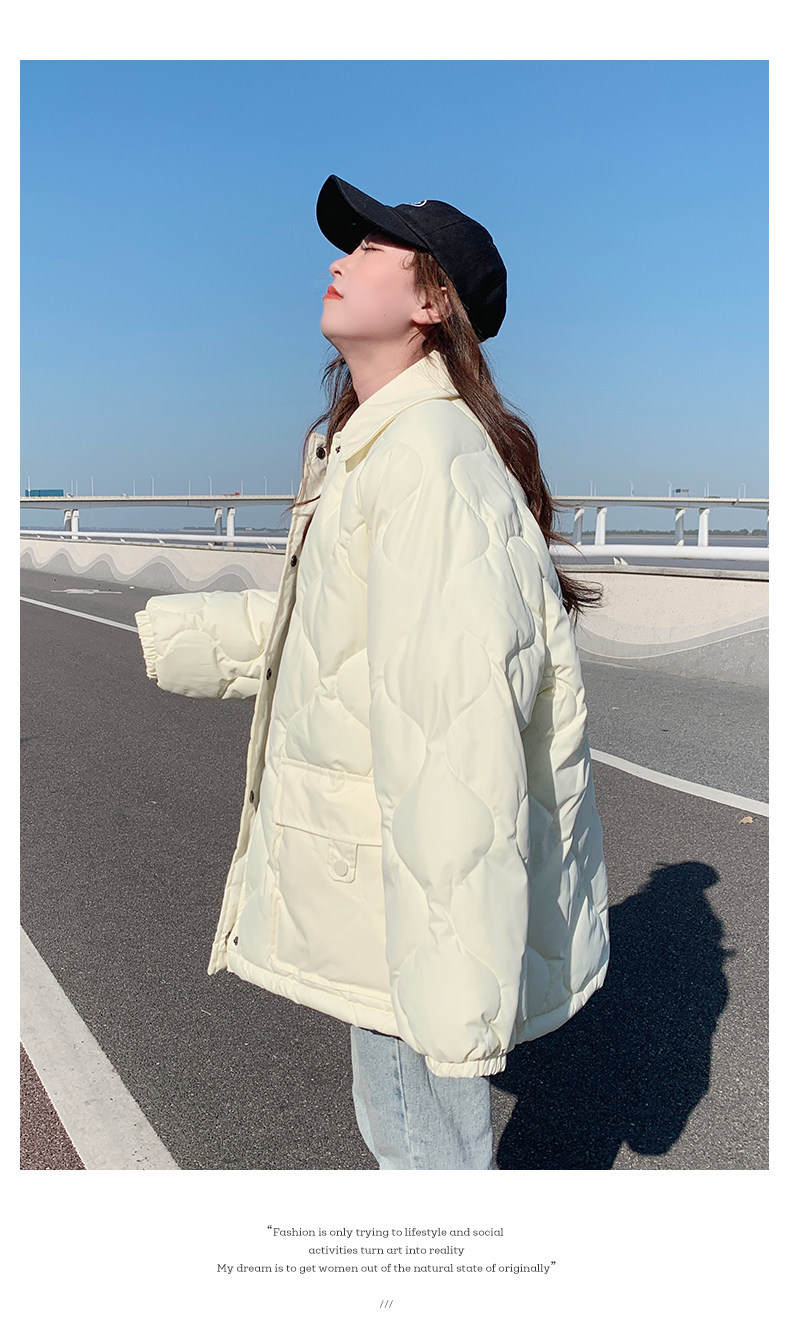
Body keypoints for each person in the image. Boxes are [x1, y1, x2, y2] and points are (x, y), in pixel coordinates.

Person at [135, 174, 610, 1171]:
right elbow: (347, 637)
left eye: (369, 250)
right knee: (411, 1142)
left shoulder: (424, 460)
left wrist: (452, 977)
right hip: (393, 879)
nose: (337, 262)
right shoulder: (376, 444)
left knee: (423, 1160)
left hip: (413, 895)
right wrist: (182, 635)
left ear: (433, 302)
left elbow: (455, 736)